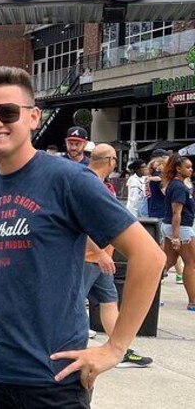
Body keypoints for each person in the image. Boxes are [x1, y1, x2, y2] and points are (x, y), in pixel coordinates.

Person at [0, 66, 165, 406]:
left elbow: (150, 256)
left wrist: (114, 348)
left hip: (53, 375)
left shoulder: (69, 180)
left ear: (32, 118)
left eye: (7, 112)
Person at [84, 144, 153, 367]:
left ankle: (119, 349)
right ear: (111, 161)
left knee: (109, 301)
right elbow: (81, 226)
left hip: (101, 260)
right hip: (87, 259)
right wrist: (99, 253)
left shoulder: (99, 185)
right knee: (73, 305)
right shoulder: (88, 185)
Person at [161, 153, 195, 312]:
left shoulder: (174, 185)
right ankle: (193, 301)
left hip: (172, 227)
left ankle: (149, 292)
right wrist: (176, 237)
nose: (191, 170)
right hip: (181, 229)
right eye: (187, 167)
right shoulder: (179, 187)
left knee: (168, 262)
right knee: (191, 264)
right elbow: (177, 213)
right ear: (178, 168)